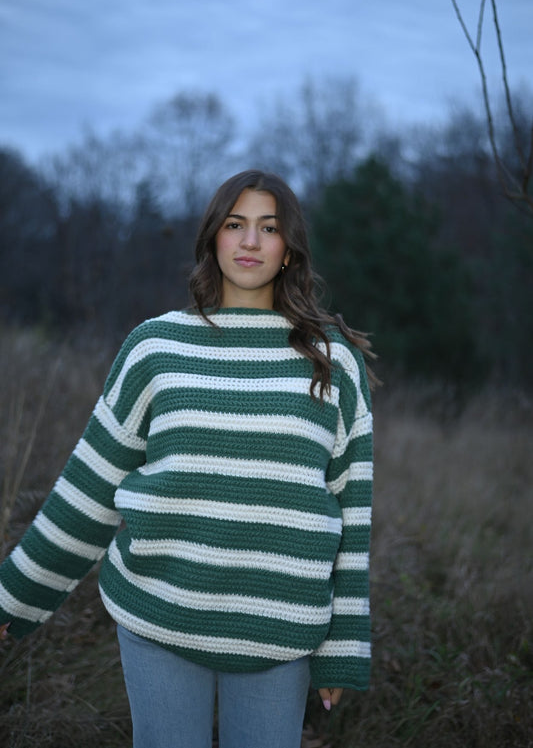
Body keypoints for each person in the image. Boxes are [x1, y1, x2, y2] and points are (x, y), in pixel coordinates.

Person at [0, 169, 375, 748]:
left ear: (288, 248)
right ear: (213, 238)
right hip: (159, 616)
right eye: (235, 225)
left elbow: (352, 512)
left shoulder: (333, 363)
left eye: (268, 228)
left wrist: (344, 644)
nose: (250, 242)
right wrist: (14, 598)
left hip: (279, 631)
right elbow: (90, 489)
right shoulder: (157, 347)